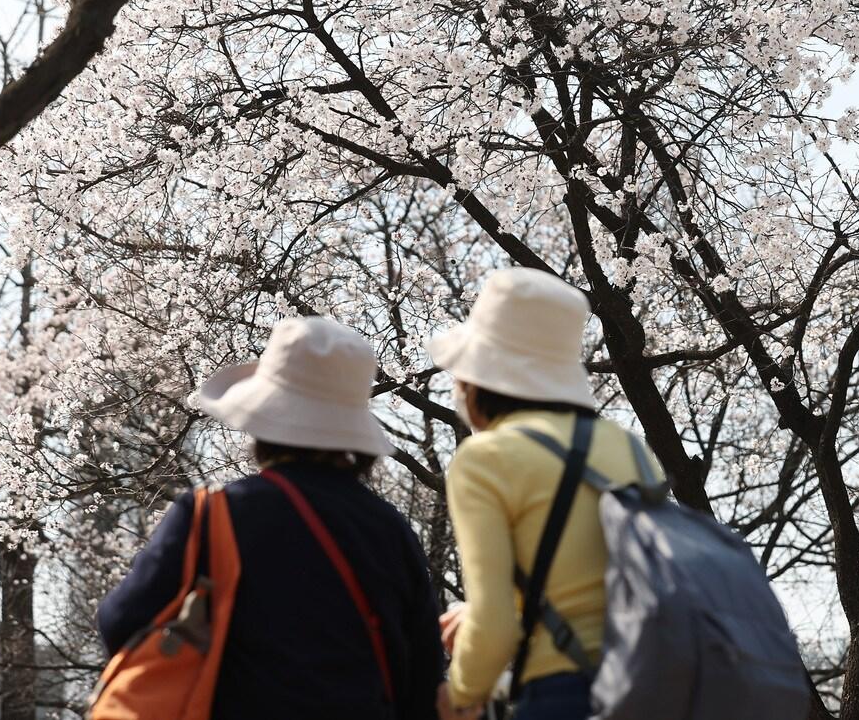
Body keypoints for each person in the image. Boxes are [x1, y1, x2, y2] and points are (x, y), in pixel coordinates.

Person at [97, 317, 443, 720]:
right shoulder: (391, 530)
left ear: (265, 420)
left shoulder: (212, 516)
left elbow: (120, 622)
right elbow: (423, 684)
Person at [425, 267, 664, 720]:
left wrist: (460, 694)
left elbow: (496, 630)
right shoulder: (625, 446)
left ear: (478, 380)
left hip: (568, 691)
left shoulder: (485, 458)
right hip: (658, 687)